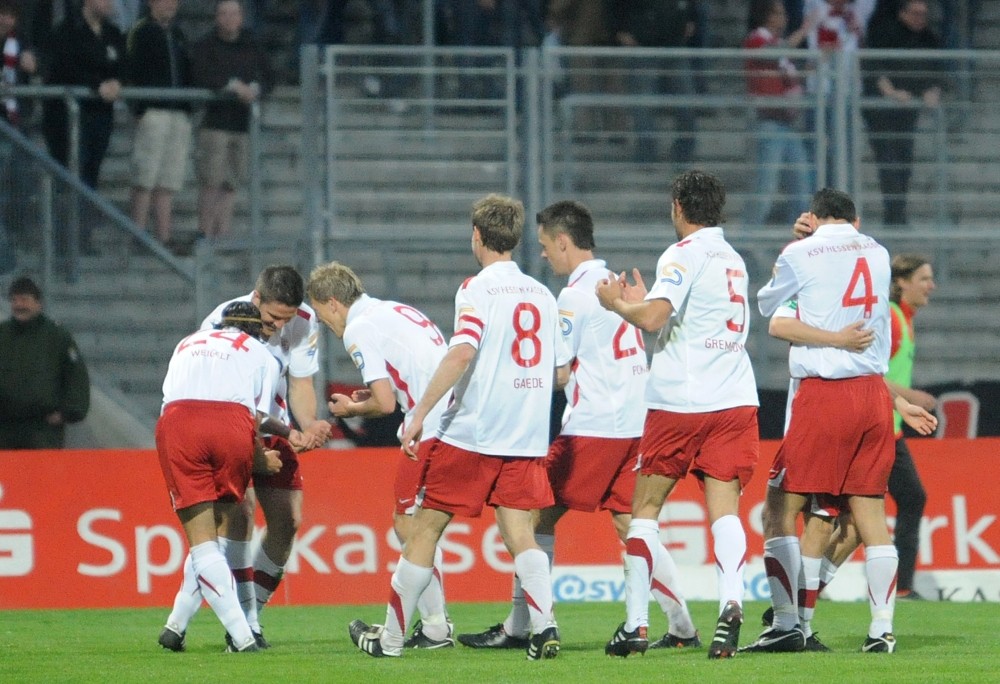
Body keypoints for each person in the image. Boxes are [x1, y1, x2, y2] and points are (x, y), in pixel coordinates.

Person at [456, 199, 700, 652]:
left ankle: (522, 625)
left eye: (546, 245)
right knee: (632, 524)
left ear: (564, 242)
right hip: (635, 421)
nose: (543, 253)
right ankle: (681, 624)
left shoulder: (573, 295)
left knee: (531, 516)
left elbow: (560, 371)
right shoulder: (614, 283)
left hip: (594, 427)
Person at [349, 193, 572, 660]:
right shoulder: (543, 295)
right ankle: (545, 627)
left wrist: (418, 414)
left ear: (476, 235)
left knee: (424, 528)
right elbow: (560, 373)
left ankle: (390, 639)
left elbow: (462, 352)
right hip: (525, 435)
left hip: (474, 432)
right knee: (521, 534)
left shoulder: (476, 289)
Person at [751, 188, 932, 655]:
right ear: (854, 220)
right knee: (865, 517)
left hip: (825, 395)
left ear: (813, 217)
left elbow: (770, 308)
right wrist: (899, 403)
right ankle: (881, 630)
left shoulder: (801, 254)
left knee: (779, 508)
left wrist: (796, 246)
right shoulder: (878, 252)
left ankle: (788, 622)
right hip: (872, 396)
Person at [596, 170, 759, 660]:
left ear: (678, 207)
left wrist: (616, 304)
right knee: (724, 511)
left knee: (644, 510)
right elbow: (684, 313)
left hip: (681, 400)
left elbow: (653, 319)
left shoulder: (682, 253)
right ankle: (731, 602)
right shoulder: (733, 258)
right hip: (734, 397)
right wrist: (645, 300)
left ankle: (636, 624)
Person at [159, 265, 332, 651]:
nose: (279, 327)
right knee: (234, 518)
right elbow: (246, 412)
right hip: (235, 425)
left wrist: (305, 427)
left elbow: (301, 381)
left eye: (287, 319)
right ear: (256, 301)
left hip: (246, 423)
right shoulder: (224, 323)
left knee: (287, 520)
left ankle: (185, 623)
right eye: (272, 319)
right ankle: (246, 626)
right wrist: (261, 452)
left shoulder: (303, 321)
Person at [306, 260, 454, 649]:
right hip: (454, 418)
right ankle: (437, 626)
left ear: (333, 302)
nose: (325, 324)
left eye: (322, 314)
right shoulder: (391, 309)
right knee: (419, 525)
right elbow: (404, 380)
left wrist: (350, 409)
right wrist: (369, 397)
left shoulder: (358, 327)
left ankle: (427, 629)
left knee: (410, 526)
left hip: (432, 428)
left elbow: (385, 405)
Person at [155, 300, 282, 653]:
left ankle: (183, 625)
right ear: (255, 330)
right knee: (217, 536)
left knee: (203, 542)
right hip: (229, 426)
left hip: (179, 423)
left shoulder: (187, 342)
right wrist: (262, 460)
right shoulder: (262, 353)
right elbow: (255, 419)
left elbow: (169, 396)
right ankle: (240, 635)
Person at [41, 0, 126, 255]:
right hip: (66, 118)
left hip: (100, 116)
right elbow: (62, 68)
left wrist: (117, 82)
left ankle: (82, 238)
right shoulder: (66, 30)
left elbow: (123, 64)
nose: (110, 4)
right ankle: (62, 241)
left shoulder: (113, 33)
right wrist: (95, 84)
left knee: (91, 176)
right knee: (69, 176)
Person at [190, 0, 270, 240]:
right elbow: (200, 75)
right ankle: (204, 232)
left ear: (241, 17)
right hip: (215, 123)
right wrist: (233, 86)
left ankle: (222, 234)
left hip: (242, 124)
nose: (229, 18)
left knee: (232, 182)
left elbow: (269, 76)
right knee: (211, 181)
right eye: (223, 13)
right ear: (216, 17)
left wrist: (254, 89)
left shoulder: (252, 44)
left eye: (233, 13)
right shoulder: (205, 45)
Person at [862, 0, 942, 226]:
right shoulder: (884, 32)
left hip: (907, 109)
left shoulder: (929, 38)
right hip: (881, 110)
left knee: (904, 160)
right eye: (915, 13)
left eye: (923, 14)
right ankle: (893, 212)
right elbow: (873, 66)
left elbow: (938, 70)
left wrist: (933, 90)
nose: (920, 19)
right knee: (888, 159)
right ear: (903, 13)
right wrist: (891, 92)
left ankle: (898, 212)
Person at [125, 0, 192, 253]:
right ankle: (138, 234)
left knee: (168, 179)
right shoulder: (141, 31)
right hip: (153, 111)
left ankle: (164, 237)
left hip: (178, 113)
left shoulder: (178, 34)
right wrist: (138, 108)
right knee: (145, 175)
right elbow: (131, 68)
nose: (170, 5)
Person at [742, 0, 815, 228]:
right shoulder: (756, 39)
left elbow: (786, 78)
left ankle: (799, 239)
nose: (784, 18)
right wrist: (804, 31)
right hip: (768, 123)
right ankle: (748, 238)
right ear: (767, 16)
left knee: (802, 186)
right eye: (779, 13)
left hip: (787, 123)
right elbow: (771, 54)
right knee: (764, 187)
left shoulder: (778, 46)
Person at [0, 276, 90, 448]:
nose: (18, 305)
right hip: (4, 429)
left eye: (24, 299)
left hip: (43, 430)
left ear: (38, 303)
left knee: (41, 467)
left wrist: (67, 412)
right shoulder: (2, 334)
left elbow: (76, 377)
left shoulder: (57, 336)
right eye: (14, 300)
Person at [611, 0, 698, 164]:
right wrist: (618, 30)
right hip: (642, 44)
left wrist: (692, 18)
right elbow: (613, 5)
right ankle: (647, 152)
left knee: (686, 101)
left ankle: (684, 151)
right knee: (643, 104)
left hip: (675, 43)